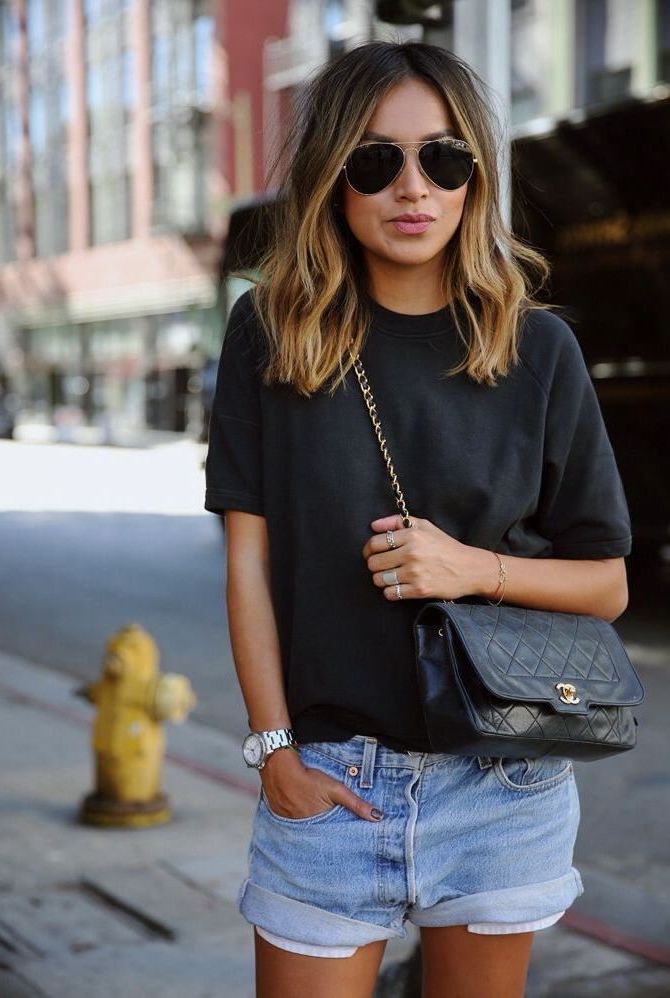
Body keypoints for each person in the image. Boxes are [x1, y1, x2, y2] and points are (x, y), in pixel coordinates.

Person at [204, 41, 631, 998]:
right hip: (331, 788)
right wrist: (274, 753)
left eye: (443, 158)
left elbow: (606, 585)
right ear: (333, 180)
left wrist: (471, 568)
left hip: (504, 784)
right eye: (374, 159)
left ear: (475, 177)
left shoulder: (538, 350)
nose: (412, 186)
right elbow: (247, 565)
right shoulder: (272, 336)